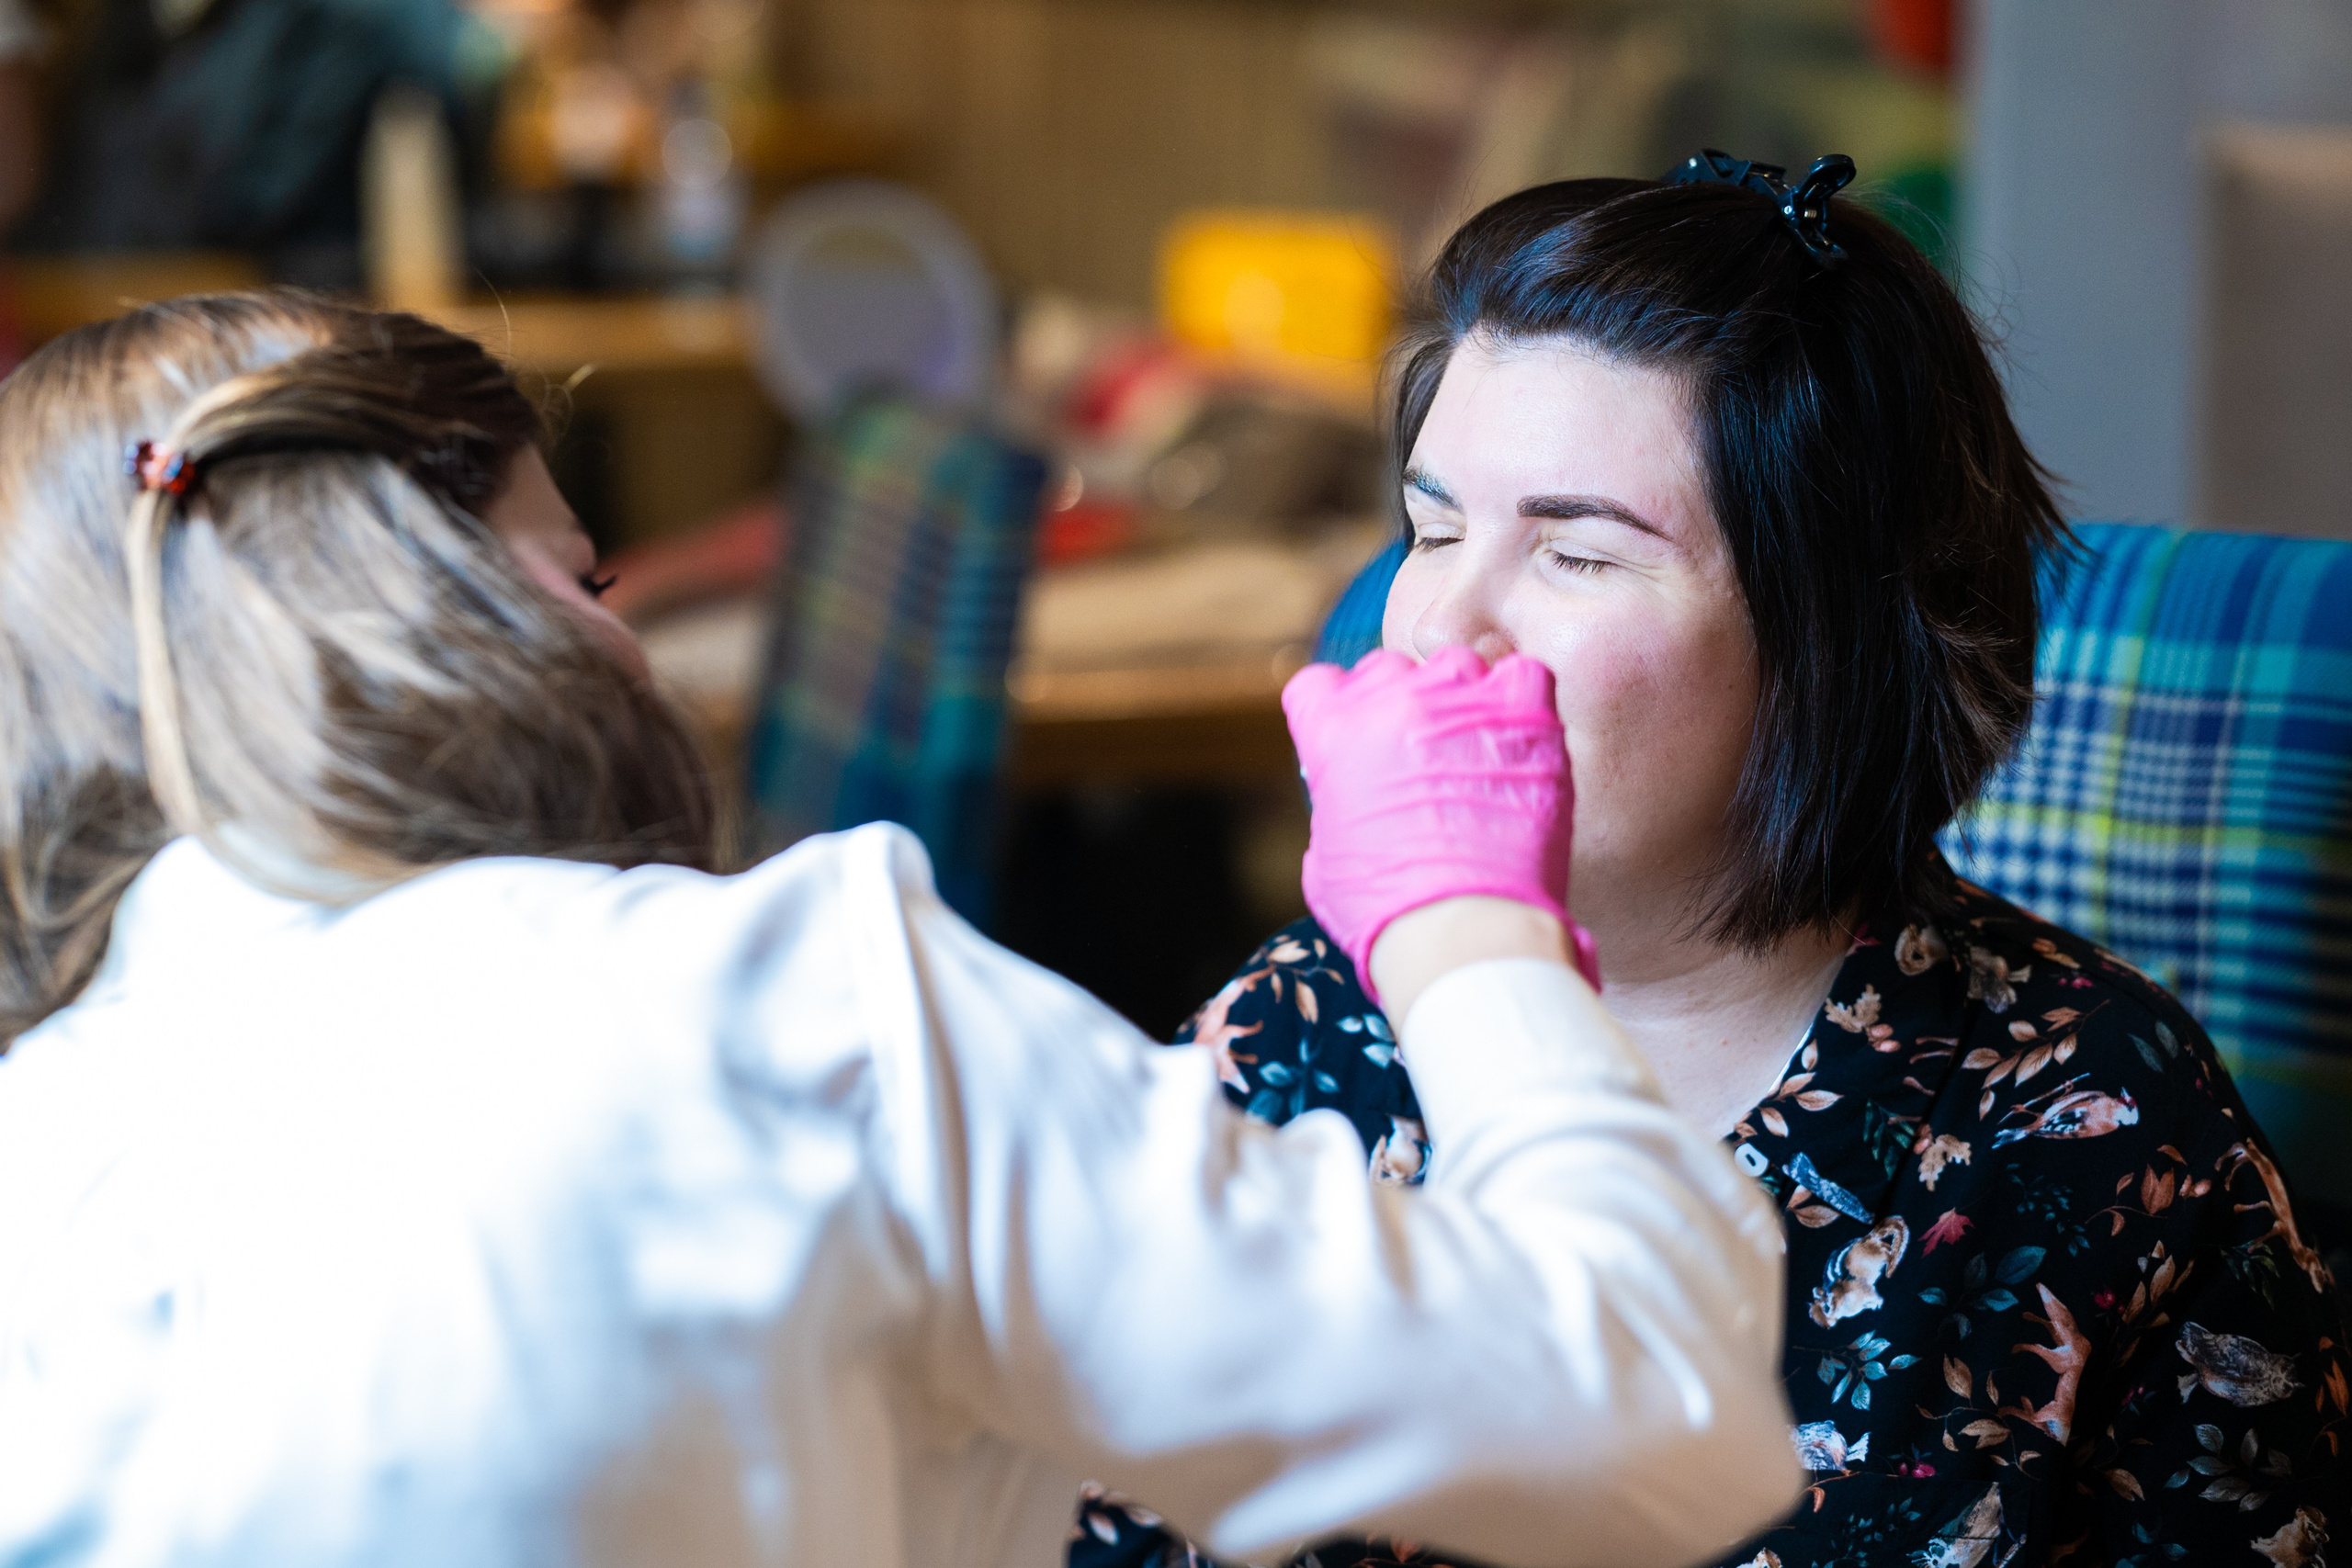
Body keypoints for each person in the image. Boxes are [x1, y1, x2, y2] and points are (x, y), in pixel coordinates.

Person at [0, 291, 1799, 1568]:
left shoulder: (43, 1134)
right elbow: (1649, 1417)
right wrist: (1464, 915)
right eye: (583, 573)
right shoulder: (794, 1010)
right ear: (451, 605)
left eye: (1572, 546)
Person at [1078, 160, 2352, 1568]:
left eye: (1576, 555)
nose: (1438, 630)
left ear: (1836, 646)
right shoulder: (1297, 1034)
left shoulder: (2101, 1130)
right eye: (1432, 530)